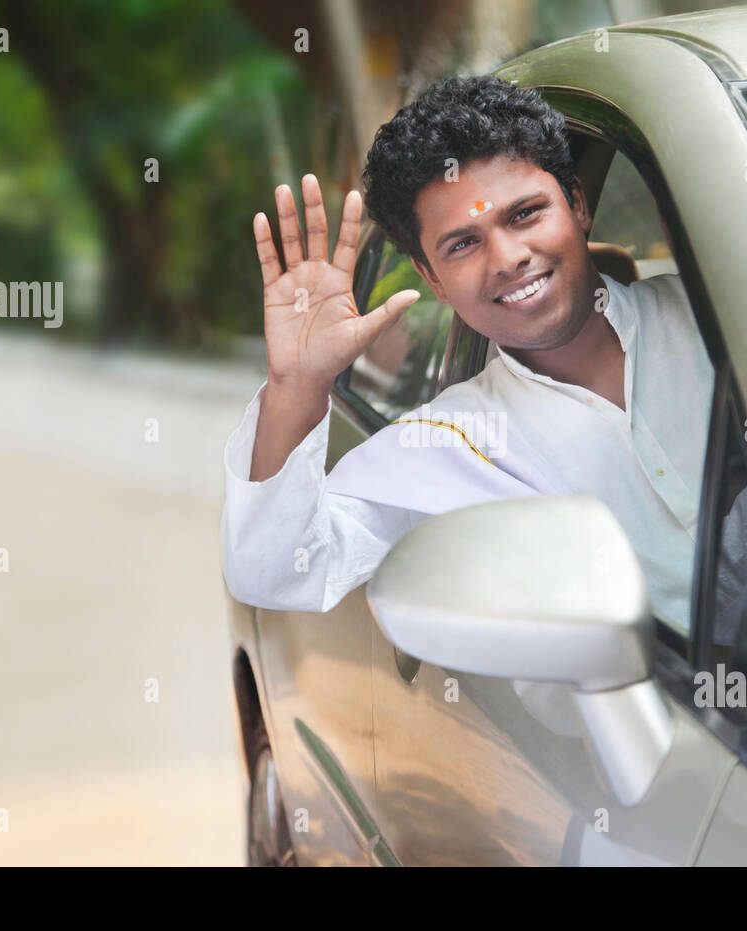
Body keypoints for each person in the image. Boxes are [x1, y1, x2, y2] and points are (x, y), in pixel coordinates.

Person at [221, 74, 715, 631]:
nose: (507, 258)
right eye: (463, 244)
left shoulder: (720, 325)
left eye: (525, 214)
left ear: (576, 203)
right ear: (432, 278)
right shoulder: (449, 446)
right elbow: (275, 573)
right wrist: (298, 385)